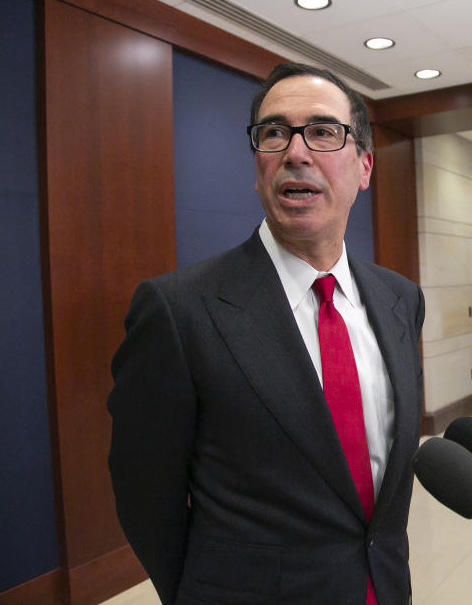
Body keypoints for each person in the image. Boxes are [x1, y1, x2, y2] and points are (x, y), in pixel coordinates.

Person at [108, 63, 424, 605]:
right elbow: (145, 494)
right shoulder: (180, 309)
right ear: (257, 167)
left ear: (364, 166)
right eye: (274, 132)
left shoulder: (401, 298)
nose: (295, 152)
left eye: (324, 132)